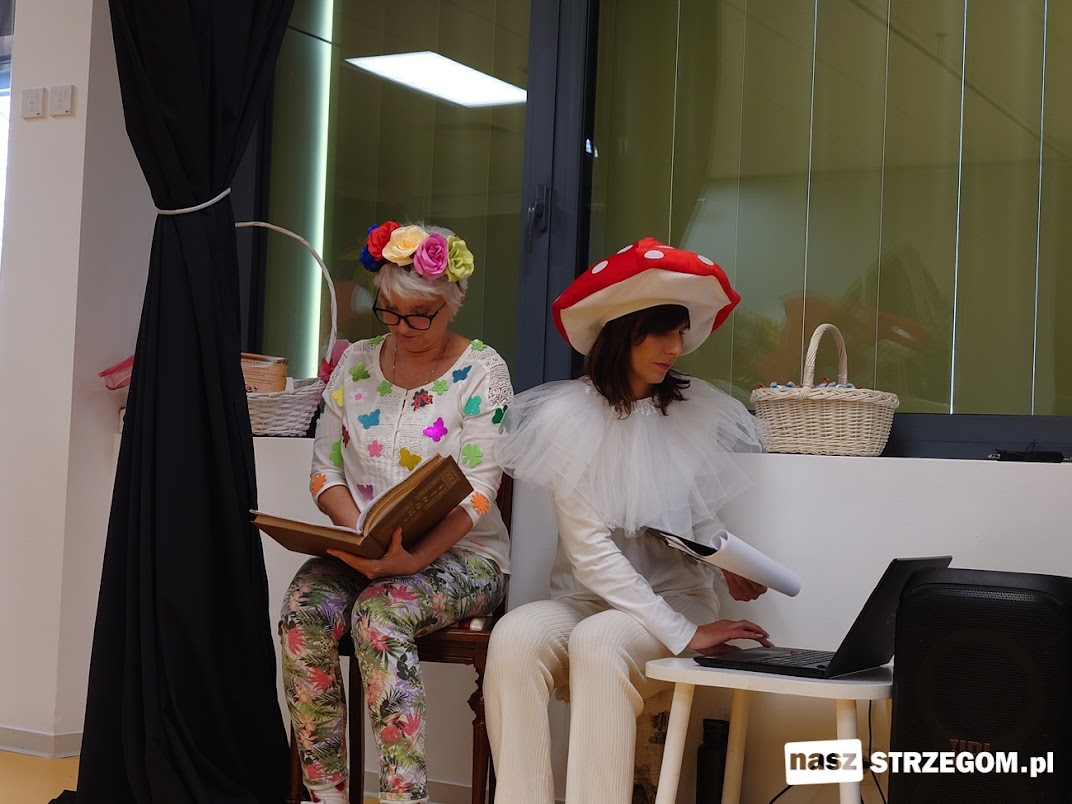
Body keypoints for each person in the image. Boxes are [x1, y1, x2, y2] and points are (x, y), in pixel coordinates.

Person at [484, 237, 771, 804]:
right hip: (586, 597)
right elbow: (590, 552)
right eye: (661, 332)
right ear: (622, 331)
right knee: (514, 637)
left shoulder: (690, 411)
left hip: (676, 595)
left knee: (600, 641)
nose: (676, 347)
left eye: (680, 332)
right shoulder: (567, 418)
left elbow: (694, 518)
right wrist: (684, 637)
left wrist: (729, 561)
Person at [280, 221, 513, 804]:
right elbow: (324, 472)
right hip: (366, 548)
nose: (402, 328)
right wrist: (361, 534)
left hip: (465, 557)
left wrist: (412, 559)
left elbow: (479, 490)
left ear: (453, 302)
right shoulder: (353, 365)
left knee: (379, 616)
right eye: (390, 312)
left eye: (420, 316)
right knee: (303, 611)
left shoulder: (482, 370)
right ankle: (325, 795)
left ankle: (404, 798)